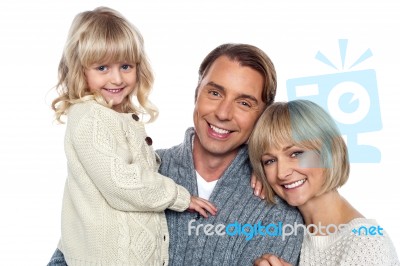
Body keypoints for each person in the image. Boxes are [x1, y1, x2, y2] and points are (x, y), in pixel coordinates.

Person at [48, 41, 304, 265]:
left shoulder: (277, 209)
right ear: (197, 93)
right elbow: (74, 251)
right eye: (214, 93)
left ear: (263, 114)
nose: (223, 113)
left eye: (244, 103)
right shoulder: (138, 171)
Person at [48, 7, 217, 266]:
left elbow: (137, 167)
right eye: (102, 67)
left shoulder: (116, 116)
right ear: (81, 70)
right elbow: (121, 182)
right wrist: (179, 197)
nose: (116, 78)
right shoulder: (90, 117)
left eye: (125, 66)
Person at [248, 100, 400, 266]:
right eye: (270, 161)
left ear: (328, 151)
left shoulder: (366, 242)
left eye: (296, 153)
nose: (282, 173)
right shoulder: (290, 229)